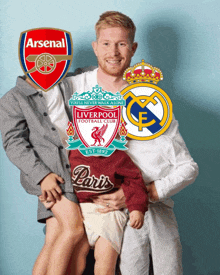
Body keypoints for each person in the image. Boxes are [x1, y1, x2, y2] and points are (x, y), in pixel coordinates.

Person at [60, 11, 198, 275]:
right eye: (106, 43)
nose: (113, 52)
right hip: (82, 209)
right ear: (95, 47)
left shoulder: (149, 100)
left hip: (142, 213)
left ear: (133, 48)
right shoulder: (72, 89)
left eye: (122, 44)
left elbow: (187, 166)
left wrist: (140, 194)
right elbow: (32, 110)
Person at [0, 76, 88, 275]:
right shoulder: (13, 98)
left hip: (75, 172)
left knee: (63, 240)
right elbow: (14, 144)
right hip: (52, 178)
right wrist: (42, 176)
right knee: (74, 230)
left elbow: (99, 73)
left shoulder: (68, 84)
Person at [67, 148, 148, 274]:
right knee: (75, 262)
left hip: (108, 213)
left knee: (105, 262)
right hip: (81, 212)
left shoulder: (118, 156)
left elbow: (134, 180)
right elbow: (59, 174)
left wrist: (137, 208)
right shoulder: (72, 153)